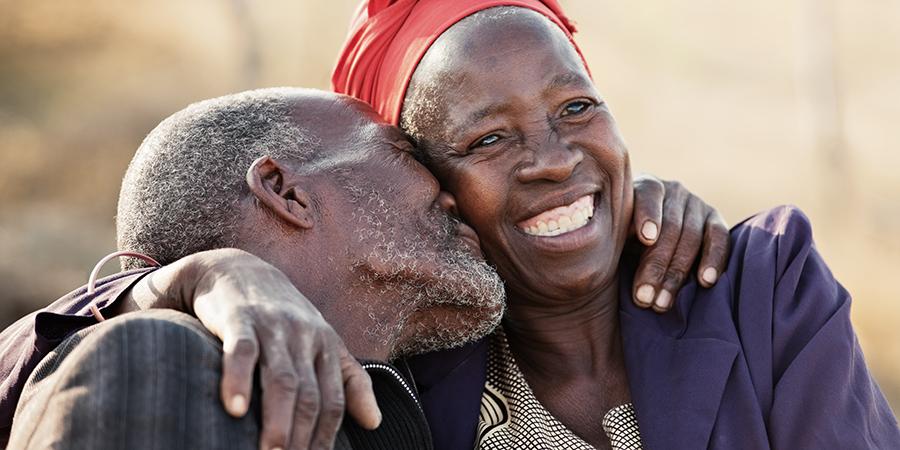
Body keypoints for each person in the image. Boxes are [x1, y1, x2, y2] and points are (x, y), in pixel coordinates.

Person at [0, 87, 725, 450]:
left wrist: (607, 210)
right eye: (406, 155)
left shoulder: (406, 412)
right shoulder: (165, 362)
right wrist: (173, 286)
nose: (454, 191)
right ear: (285, 192)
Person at [332, 0, 900, 449]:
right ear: (431, 189)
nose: (555, 160)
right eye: (489, 139)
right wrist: (238, 273)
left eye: (576, 108)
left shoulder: (762, 287)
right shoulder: (399, 387)